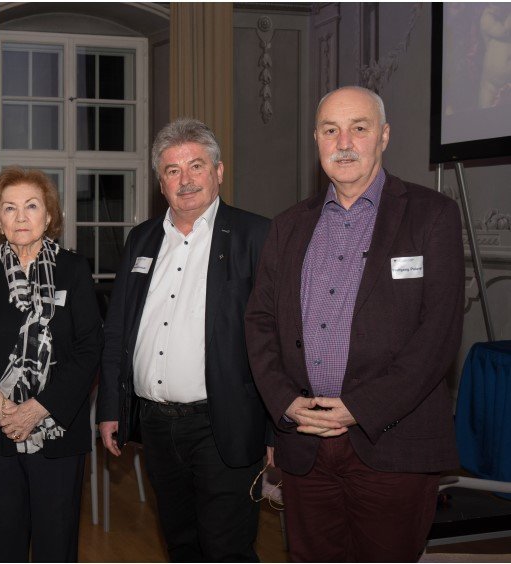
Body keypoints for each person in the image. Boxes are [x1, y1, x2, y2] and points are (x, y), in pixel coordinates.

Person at [244, 86, 464, 562]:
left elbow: (439, 335)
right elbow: (259, 322)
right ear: (317, 141)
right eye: (330, 130)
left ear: (383, 136)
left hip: (393, 443)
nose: (343, 142)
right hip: (306, 446)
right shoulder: (287, 225)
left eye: (358, 128)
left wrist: (359, 407)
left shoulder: (432, 215)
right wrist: (285, 403)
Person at [97, 118, 271, 562]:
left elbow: (277, 339)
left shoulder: (257, 236)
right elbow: (119, 328)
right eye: (173, 170)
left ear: (219, 171)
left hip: (223, 423)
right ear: (161, 182)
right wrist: (111, 408)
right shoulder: (142, 238)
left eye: (196, 165)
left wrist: (275, 429)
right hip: (155, 425)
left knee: (226, 548)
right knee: (181, 545)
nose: (186, 179)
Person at [0, 167, 103, 562]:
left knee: (57, 543)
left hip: (57, 432)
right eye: (9, 208)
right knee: (4, 544)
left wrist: (37, 408)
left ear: (49, 216)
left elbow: (89, 348)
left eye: (31, 206)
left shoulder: (75, 269)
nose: (20, 217)